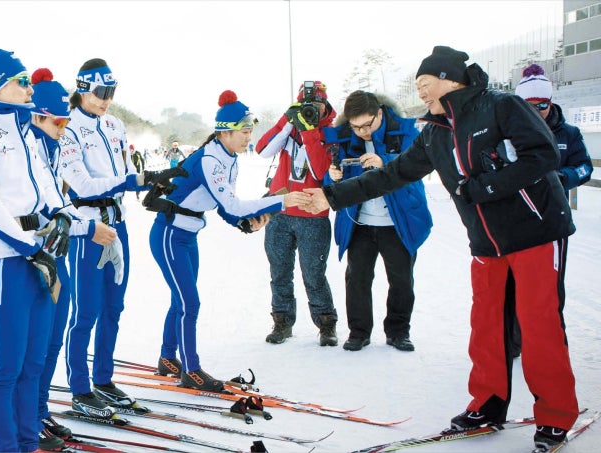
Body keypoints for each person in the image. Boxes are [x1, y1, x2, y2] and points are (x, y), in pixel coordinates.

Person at [301, 46, 580, 451]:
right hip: (486, 242)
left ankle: (554, 416)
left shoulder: (502, 106)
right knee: (486, 326)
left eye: (424, 84)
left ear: (450, 78)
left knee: (539, 327)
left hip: (536, 231)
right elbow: (392, 175)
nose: (420, 92)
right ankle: (487, 404)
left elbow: (542, 157)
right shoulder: (434, 132)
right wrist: (331, 196)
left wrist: (485, 187)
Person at [147, 90, 310, 390]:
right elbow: (233, 205)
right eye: (245, 132)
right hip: (170, 234)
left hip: (187, 235)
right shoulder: (210, 159)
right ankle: (191, 370)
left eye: (250, 131)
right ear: (226, 132)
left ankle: (167, 358)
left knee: (181, 300)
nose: (249, 137)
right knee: (189, 303)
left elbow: (225, 206)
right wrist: (280, 202)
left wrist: (244, 225)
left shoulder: (229, 157)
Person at [0, 49, 71, 453]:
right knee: (5, 370)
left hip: (37, 253)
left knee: (33, 365)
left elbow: (47, 185)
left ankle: (27, 442)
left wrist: (65, 218)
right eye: (23, 81)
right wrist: (28, 247)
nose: (29, 88)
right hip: (5, 260)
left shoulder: (22, 128)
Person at [59, 58, 180, 418]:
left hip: (118, 224)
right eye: (101, 92)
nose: (107, 99)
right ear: (82, 88)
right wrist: (130, 181)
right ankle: (80, 388)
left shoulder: (114, 125)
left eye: (112, 92)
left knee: (114, 308)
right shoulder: (68, 128)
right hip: (88, 227)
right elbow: (80, 183)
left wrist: (149, 180)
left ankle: (104, 380)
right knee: (85, 312)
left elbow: (127, 170)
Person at [27, 68, 119, 449]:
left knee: (49, 342)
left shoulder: (50, 145)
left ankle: (38, 409)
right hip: (30, 256)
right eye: (59, 120)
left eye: (65, 120)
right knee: (32, 346)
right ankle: (26, 419)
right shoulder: (32, 146)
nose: (64, 127)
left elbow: (57, 203)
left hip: (59, 248)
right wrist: (85, 225)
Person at [322, 90, 432, 352]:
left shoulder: (405, 132)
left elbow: (418, 165)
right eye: (355, 126)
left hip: (397, 222)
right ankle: (359, 332)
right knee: (357, 278)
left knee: (402, 280)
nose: (361, 131)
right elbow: (330, 184)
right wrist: (332, 177)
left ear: (380, 113)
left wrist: (387, 162)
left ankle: (398, 332)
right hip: (360, 223)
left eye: (367, 124)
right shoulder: (344, 140)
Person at [505, 63, 595, 358]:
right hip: (515, 221)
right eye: (528, 105)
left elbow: (584, 167)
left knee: (550, 288)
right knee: (512, 285)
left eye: (541, 105)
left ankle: (549, 344)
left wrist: (562, 178)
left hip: (553, 221)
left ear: (550, 103)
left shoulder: (568, 133)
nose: (535, 111)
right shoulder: (506, 131)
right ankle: (513, 343)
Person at [255, 81, 339, 347]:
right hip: (280, 211)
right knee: (279, 271)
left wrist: (310, 131)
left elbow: (321, 171)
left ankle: (326, 325)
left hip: (312, 216)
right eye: (305, 106)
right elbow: (262, 149)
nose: (311, 110)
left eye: (316, 106)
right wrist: (287, 120)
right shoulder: (289, 130)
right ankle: (282, 322)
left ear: (326, 106)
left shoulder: (331, 133)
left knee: (314, 273)